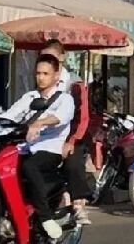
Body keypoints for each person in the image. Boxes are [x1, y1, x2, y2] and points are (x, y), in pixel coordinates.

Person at [0, 54, 74, 240]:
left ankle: (45, 216)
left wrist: (39, 123)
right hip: (24, 147)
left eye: (46, 73)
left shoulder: (65, 99)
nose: (41, 77)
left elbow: (60, 118)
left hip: (49, 149)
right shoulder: (29, 97)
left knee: (30, 166)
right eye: (38, 73)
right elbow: (10, 116)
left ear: (56, 76)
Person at [41, 39, 92, 225]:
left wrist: (71, 141)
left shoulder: (75, 85)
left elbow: (83, 117)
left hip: (71, 137)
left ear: (62, 59)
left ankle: (78, 205)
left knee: (72, 162)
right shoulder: (40, 84)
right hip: (45, 137)